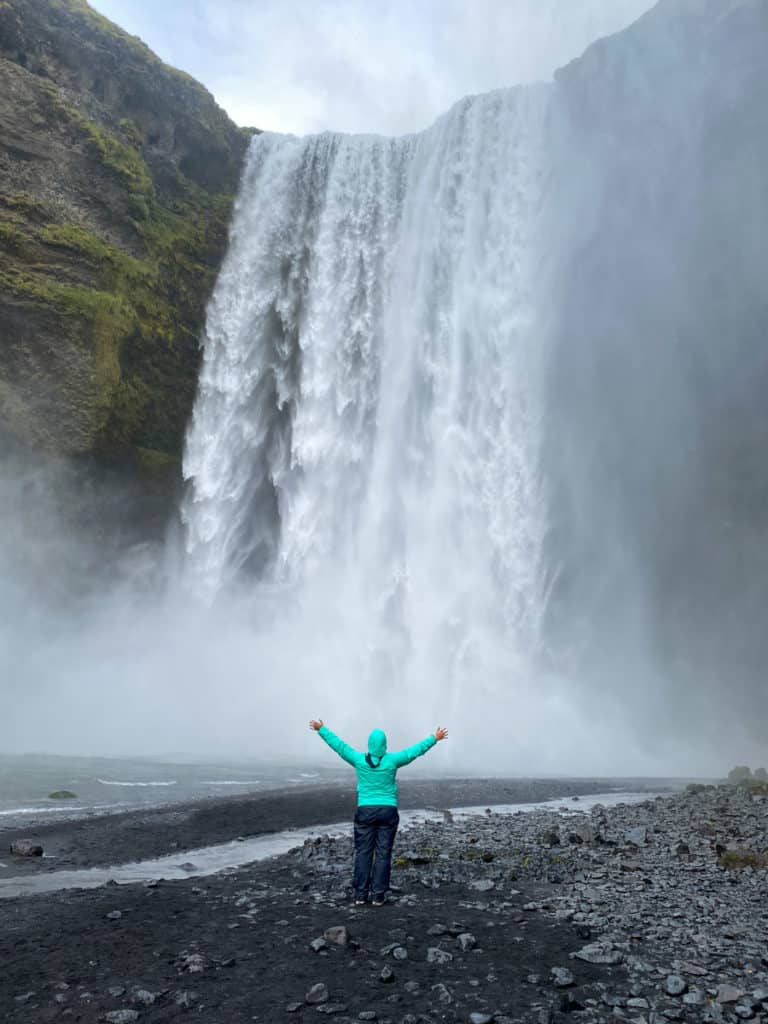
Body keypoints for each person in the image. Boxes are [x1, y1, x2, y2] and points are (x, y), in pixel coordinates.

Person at [309, 718, 448, 906]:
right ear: (384, 745)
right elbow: (414, 752)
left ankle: (360, 895)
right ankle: (378, 895)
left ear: (369, 744)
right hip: (388, 811)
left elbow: (339, 746)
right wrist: (434, 738)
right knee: (383, 854)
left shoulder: (359, 760)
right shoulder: (392, 760)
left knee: (363, 852)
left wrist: (321, 729)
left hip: (365, 810)